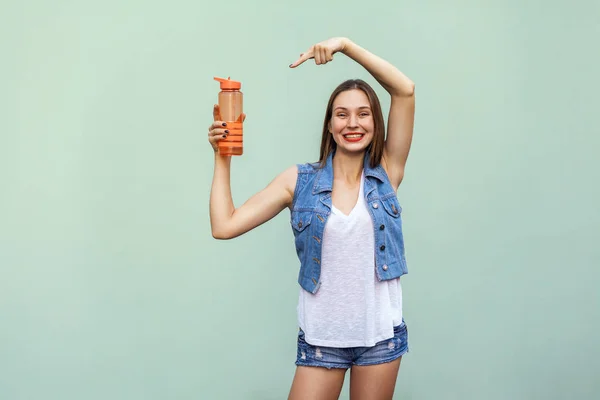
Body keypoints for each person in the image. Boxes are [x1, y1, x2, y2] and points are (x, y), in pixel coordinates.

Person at [208, 37, 415, 400]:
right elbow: (224, 226)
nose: (353, 123)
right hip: (322, 342)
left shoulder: (387, 173)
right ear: (330, 124)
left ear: (374, 122)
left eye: (363, 113)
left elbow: (405, 89)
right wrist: (221, 158)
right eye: (342, 114)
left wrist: (346, 46)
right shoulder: (298, 182)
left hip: (380, 337)